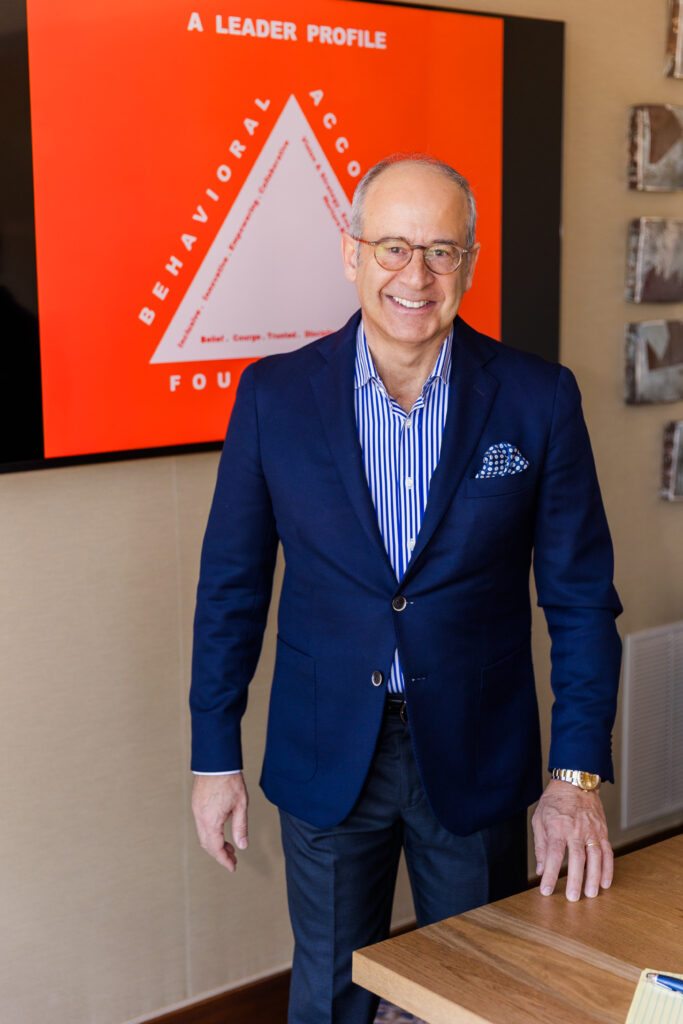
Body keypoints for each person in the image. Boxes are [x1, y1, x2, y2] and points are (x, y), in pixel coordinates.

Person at [190, 154, 622, 1024]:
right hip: (325, 749)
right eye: (391, 247)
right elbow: (231, 587)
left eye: (440, 250)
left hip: (476, 752)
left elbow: (579, 599)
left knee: (478, 993)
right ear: (350, 254)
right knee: (330, 991)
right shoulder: (275, 397)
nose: (414, 276)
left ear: (468, 261)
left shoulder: (536, 400)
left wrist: (573, 776)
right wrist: (214, 755)